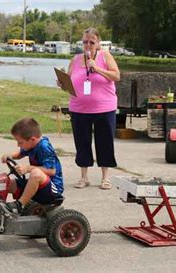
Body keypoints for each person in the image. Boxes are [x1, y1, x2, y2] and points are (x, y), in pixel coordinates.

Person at [59, 27, 120, 190]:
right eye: (85, 42)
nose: (88, 45)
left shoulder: (105, 56)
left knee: (104, 142)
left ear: (98, 43)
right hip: (79, 108)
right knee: (82, 143)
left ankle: (105, 177)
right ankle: (84, 177)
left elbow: (116, 76)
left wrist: (97, 68)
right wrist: (62, 83)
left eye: (91, 42)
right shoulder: (75, 59)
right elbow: (70, 83)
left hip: (104, 108)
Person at [1, 117, 64, 212]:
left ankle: (19, 205)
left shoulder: (44, 147)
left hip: (52, 189)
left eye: (20, 142)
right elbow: (20, 154)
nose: (18, 145)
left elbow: (51, 171)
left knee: (35, 173)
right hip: (39, 185)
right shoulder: (31, 145)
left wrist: (28, 168)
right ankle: (0, 207)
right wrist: (9, 156)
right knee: (9, 183)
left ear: (32, 139)